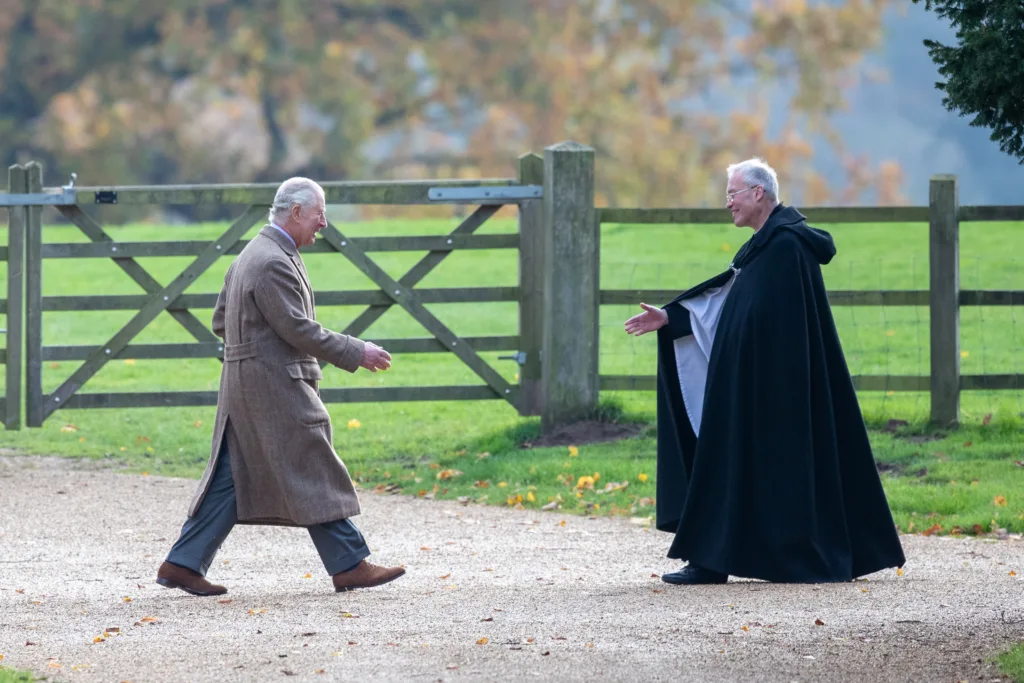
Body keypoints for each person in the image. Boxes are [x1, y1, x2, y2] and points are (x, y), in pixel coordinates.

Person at [624, 158, 906, 585]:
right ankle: (710, 560)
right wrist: (670, 319)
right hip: (745, 387)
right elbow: (722, 303)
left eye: (732, 194)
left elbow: (790, 331)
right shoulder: (761, 246)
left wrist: (770, 385)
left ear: (758, 193)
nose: (728, 204)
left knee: (765, 469)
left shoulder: (787, 247)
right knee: (726, 463)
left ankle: (771, 558)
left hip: (776, 392)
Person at [156, 177, 405, 596]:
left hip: (248, 385)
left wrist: (248, 353)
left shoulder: (252, 253)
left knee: (234, 476)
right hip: (274, 386)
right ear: (295, 213)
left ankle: (182, 563)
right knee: (310, 464)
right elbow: (296, 327)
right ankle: (349, 564)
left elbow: (221, 320)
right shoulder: (272, 260)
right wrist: (355, 351)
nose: (323, 223)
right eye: (318, 214)